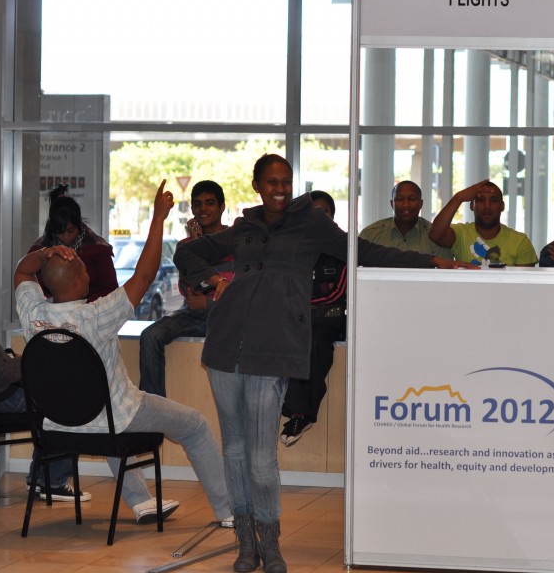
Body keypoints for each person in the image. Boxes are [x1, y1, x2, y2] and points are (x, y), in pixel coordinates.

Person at [174, 154, 474, 573]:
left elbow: (364, 251)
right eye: (271, 182)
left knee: (260, 456)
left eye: (286, 181)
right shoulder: (244, 227)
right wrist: (214, 281)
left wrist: (432, 260)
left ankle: (270, 542)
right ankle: (245, 543)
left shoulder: (312, 224)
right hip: (226, 348)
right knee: (235, 449)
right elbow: (187, 253)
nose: (280, 189)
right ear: (257, 185)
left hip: (274, 348)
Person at [13, 180, 233, 527]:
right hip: (110, 418)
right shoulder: (96, 315)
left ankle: (141, 501)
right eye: (83, 268)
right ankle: (229, 510)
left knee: (109, 406)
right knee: (193, 425)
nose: (88, 270)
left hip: (58, 423)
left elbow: (23, 271)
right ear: (76, 282)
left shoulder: (32, 315)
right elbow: (144, 276)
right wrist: (158, 218)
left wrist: (44, 253)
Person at [0, 292, 90, 502]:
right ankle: (53, 482)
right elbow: (2, 374)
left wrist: (13, 360)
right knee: (67, 405)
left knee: (51, 400)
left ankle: (41, 478)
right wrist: (30, 358)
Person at [139, 180, 233, 398]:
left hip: (227, 316)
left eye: (210, 203)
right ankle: (154, 406)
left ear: (222, 207)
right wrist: (197, 241)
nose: (203, 209)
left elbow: (236, 291)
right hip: (194, 315)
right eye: (198, 204)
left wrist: (208, 303)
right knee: (150, 336)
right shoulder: (185, 246)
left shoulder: (235, 241)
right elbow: (192, 287)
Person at [279, 191, 346, 447]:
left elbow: (338, 293)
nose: (318, 217)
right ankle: (293, 411)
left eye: (324, 212)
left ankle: (301, 414)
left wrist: (305, 304)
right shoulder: (295, 250)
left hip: (328, 320)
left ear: (332, 217)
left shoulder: (341, 249)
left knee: (314, 343)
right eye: (313, 212)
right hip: (298, 318)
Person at [28, 184, 117, 302]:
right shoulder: (40, 250)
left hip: (93, 310)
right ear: (52, 229)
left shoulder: (98, 249)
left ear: (79, 225)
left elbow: (111, 289)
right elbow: (31, 285)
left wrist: (85, 307)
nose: (65, 237)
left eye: (70, 231)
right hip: (51, 311)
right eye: (59, 232)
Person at [429, 179, 538, 267]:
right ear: (471, 206)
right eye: (480, 200)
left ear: (502, 206)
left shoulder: (520, 242)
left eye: (493, 200)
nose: (487, 206)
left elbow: (524, 284)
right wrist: (459, 197)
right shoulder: (461, 233)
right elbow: (435, 235)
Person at [358, 180, 452, 258]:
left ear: (421, 204)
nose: (406, 205)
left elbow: (446, 273)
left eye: (412, 199)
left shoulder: (437, 237)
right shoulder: (370, 235)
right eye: (399, 199)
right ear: (392, 204)